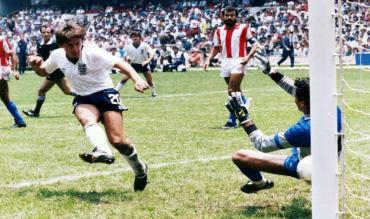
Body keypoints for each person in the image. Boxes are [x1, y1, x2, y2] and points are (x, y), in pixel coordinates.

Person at [28, 23, 149, 191]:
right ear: (61, 45)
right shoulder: (57, 55)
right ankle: (102, 150)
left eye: (78, 43)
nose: (76, 48)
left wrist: (137, 79)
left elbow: (121, 64)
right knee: (86, 118)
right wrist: (36, 65)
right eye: (70, 45)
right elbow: (43, 71)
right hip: (83, 97)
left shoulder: (92, 52)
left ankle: (140, 169)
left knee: (118, 141)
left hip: (105, 93)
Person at [227, 49, 342, 193]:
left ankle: (260, 183)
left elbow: (262, 143)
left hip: (310, 165)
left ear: (301, 103)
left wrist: (243, 116)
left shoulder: (303, 130)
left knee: (239, 156)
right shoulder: (328, 104)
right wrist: (271, 71)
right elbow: (297, 90)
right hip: (330, 157)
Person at [203, 6, 259, 129]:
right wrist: (208, 59)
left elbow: (255, 44)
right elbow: (216, 47)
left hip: (239, 61)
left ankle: (231, 120)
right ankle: (245, 115)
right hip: (225, 62)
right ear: (223, 16)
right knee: (236, 91)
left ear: (236, 16)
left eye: (232, 15)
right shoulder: (219, 30)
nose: (229, 17)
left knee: (231, 91)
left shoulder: (244, 28)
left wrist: (248, 57)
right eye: (227, 15)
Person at [23, 25, 74, 118]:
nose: (46, 34)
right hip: (50, 71)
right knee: (67, 91)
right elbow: (40, 57)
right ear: (41, 34)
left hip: (56, 71)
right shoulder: (40, 45)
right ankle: (87, 96)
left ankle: (36, 112)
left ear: (51, 33)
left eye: (48, 32)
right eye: (44, 32)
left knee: (41, 90)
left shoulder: (56, 44)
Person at [115, 32, 157, 97]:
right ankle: (115, 91)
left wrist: (147, 61)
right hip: (133, 65)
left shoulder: (145, 45)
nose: (134, 38)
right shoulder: (129, 47)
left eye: (136, 36)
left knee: (149, 79)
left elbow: (152, 54)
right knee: (124, 79)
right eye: (133, 37)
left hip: (144, 65)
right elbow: (125, 57)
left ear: (139, 38)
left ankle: (154, 92)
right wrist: (125, 65)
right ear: (131, 38)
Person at [0, 32, 27, 128]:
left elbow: (13, 55)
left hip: (2, 70)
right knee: (4, 97)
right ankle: (19, 120)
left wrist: (15, 70)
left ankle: (20, 121)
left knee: (5, 97)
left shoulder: (2, 40)